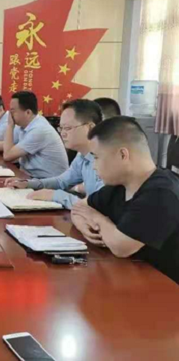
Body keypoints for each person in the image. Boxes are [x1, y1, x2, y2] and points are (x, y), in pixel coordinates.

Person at [71, 116, 179, 284]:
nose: (94, 166)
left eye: (97, 157)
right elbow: (79, 208)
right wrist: (85, 228)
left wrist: (98, 218)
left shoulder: (161, 193)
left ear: (123, 154)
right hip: (133, 279)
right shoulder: (119, 186)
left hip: (167, 290)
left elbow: (121, 247)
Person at [5, 99, 104, 209]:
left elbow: (97, 207)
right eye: (61, 128)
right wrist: (27, 184)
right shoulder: (82, 156)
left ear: (90, 128)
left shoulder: (106, 159)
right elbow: (61, 181)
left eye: (68, 128)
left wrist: (54, 195)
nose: (63, 133)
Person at [3, 91, 69, 178]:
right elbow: (7, 145)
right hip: (30, 177)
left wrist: (10, 125)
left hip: (48, 182)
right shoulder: (25, 125)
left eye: (12, 111)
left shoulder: (39, 129)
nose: (10, 115)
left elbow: (7, 155)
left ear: (28, 112)